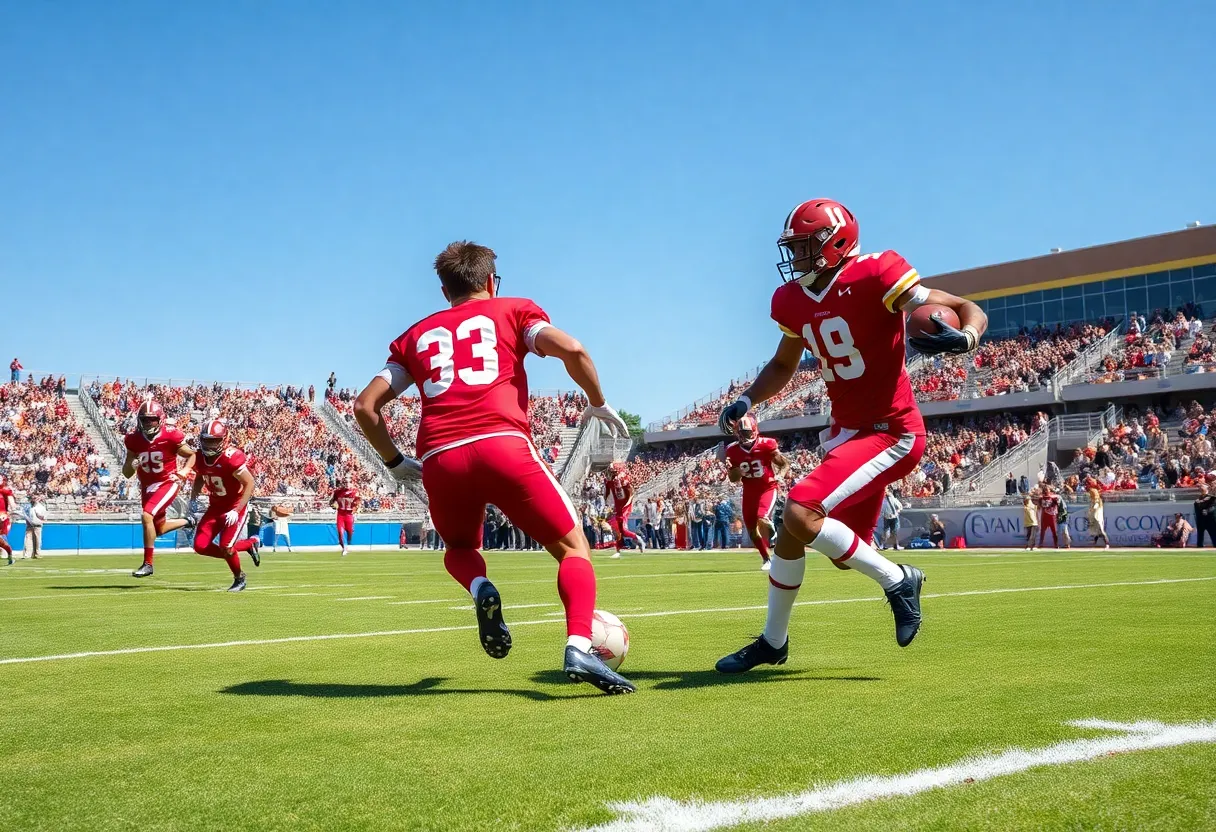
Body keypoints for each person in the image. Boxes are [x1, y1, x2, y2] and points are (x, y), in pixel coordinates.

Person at [352, 239, 636, 694]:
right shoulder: (513, 310)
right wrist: (598, 404)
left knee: (460, 548)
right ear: (490, 280)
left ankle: (481, 586)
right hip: (502, 444)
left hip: (441, 458)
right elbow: (574, 349)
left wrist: (394, 460)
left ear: (445, 291)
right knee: (573, 548)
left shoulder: (415, 336)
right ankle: (579, 646)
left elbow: (365, 407)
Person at [715, 198, 986, 673]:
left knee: (799, 509)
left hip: (892, 430)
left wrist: (967, 335)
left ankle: (899, 579)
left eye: (804, 247)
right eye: (793, 248)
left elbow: (964, 307)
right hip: (847, 434)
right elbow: (783, 364)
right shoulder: (792, 300)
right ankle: (773, 642)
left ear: (836, 242)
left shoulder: (879, 274)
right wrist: (747, 401)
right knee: (799, 539)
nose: (796, 258)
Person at [122, 401, 197, 578]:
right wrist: (132, 465)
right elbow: (126, 473)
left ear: (160, 420)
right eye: (145, 420)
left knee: (146, 516)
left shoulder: (171, 435)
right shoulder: (133, 439)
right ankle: (189, 521)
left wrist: (184, 471)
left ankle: (148, 564)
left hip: (167, 482)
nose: (148, 424)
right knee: (159, 528)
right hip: (147, 487)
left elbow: (192, 454)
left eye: (152, 420)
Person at [188, 419, 261, 592]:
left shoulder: (231, 458)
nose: (210, 444)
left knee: (227, 547)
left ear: (224, 439)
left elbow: (250, 483)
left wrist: (237, 510)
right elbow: (199, 476)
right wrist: (193, 498)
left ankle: (239, 577)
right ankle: (249, 544)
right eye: (207, 440)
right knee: (200, 546)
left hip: (234, 506)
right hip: (215, 506)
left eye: (214, 440)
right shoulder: (199, 457)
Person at [721, 414, 789, 570]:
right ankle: (766, 558)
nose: (746, 436)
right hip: (749, 490)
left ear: (754, 430)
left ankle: (775, 537)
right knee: (751, 527)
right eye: (743, 433)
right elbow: (733, 478)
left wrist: (780, 475)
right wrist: (734, 469)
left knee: (761, 516)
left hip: (767, 487)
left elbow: (784, 464)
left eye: (748, 432)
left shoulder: (767, 444)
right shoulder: (732, 450)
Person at [604, 464, 645, 557]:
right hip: (617, 508)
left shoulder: (623, 480)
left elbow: (625, 493)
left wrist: (620, 483)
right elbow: (608, 495)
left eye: (612, 472)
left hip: (623, 509)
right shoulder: (611, 482)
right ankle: (618, 551)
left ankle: (638, 539)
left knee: (623, 530)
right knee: (616, 530)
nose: (610, 474)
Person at [330, 478, 360, 556]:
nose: (347, 484)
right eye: (345, 482)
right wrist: (333, 505)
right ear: (342, 483)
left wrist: (356, 508)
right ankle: (344, 548)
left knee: (349, 532)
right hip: (340, 514)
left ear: (351, 483)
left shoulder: (354, 492)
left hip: (349, 515)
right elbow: (331, 501)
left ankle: (349, 539)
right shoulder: (337, 492)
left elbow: (359, 503)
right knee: (340, 533)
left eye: (349, 482)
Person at [23, 493, 46, 559]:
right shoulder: (28, 506)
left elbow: (43, 517)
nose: (35, 499)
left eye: (36, 498)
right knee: (28, 540)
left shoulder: (41, 507)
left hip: (37, 525)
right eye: (33, 498)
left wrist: (39, 516)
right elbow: (25, 515)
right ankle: (27, 554)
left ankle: (37, 554)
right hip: (29, 525)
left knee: (38, 541)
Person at [880, 486, 904, 551]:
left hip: (894, 517)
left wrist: (896, 512)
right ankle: (883, 545)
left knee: (894, 532)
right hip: (887, 517)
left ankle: (895, 545)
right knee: (886, 532)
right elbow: (881, 509)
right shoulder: (882, 499)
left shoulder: (892, 498)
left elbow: (899, 506)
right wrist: (884, 515)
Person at [0, 474, 15, 565]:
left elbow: (13, 505)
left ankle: (9, 555)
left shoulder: (5, 491)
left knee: (2, 543)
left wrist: (10, 511)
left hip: (2, 517)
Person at [1195, 483, 1216, 548]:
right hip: (1200, 519)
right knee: (1200, 535)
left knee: (1213, 534)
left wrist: (1207, 511)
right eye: (1200, 486)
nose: (1200, 487)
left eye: (1202, 486)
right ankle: (1199, 546)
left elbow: (1213, 507)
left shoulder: (1211, 498)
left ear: (1207, 488)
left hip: (1210, 519)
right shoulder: (1197, 499)